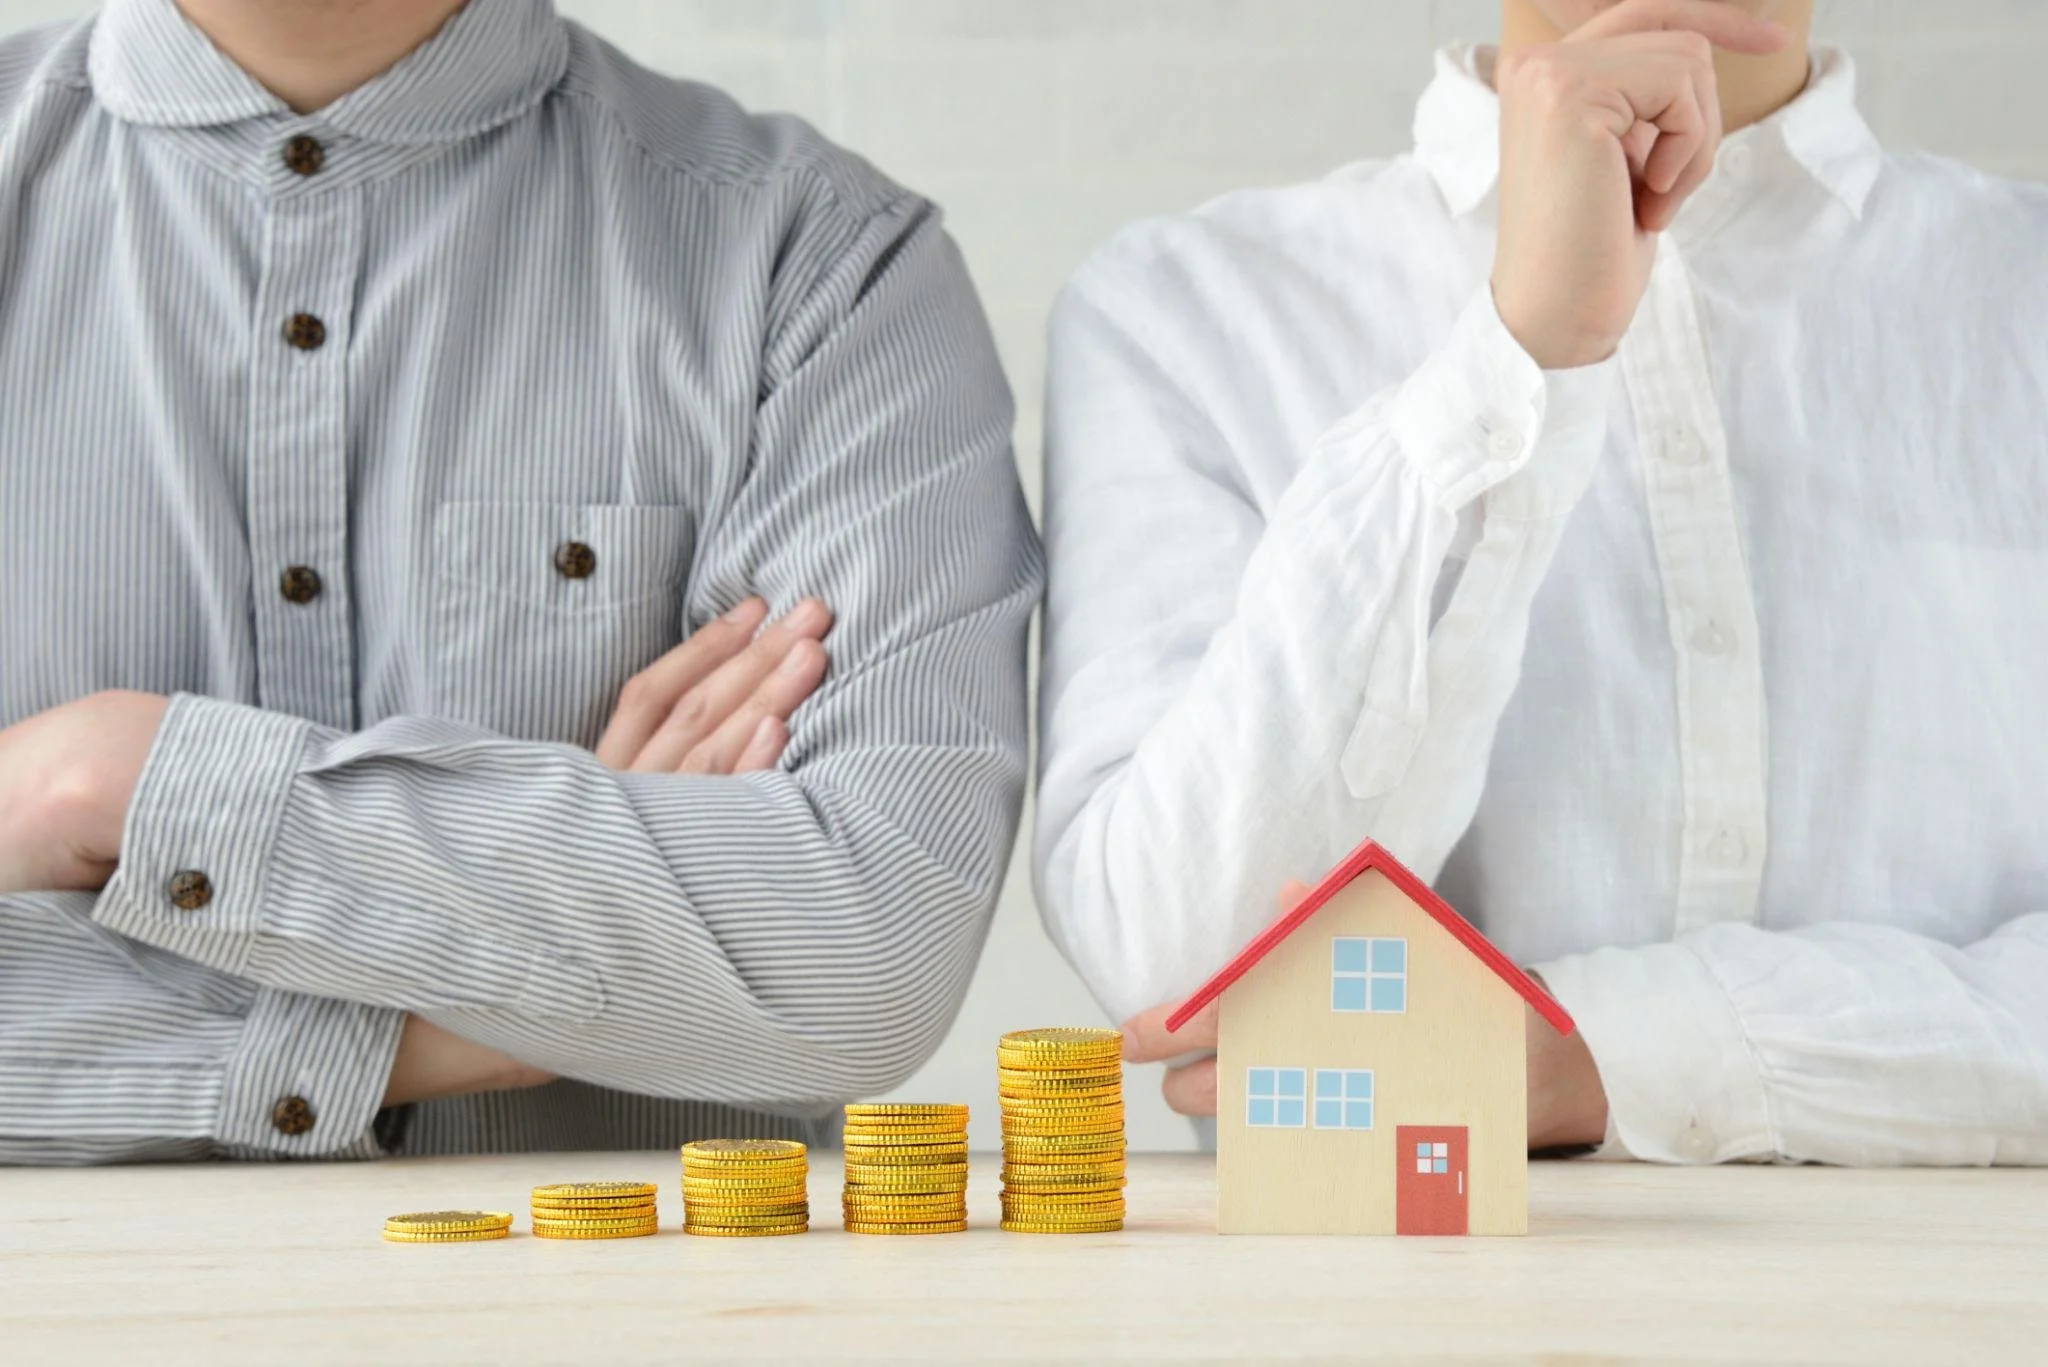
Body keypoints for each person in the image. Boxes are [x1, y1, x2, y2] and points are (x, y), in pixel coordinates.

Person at [0, 0, 1040, 1162]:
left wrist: (103, 777)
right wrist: (524, 990)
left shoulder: (821, 259)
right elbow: (770, 963)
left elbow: (862, 954)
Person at [1036, 0, 2048, 1163]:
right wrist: (1514, 358)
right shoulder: (1184, 312)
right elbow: (1185, 981)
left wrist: (1600, 1053)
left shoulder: (2015, 299)